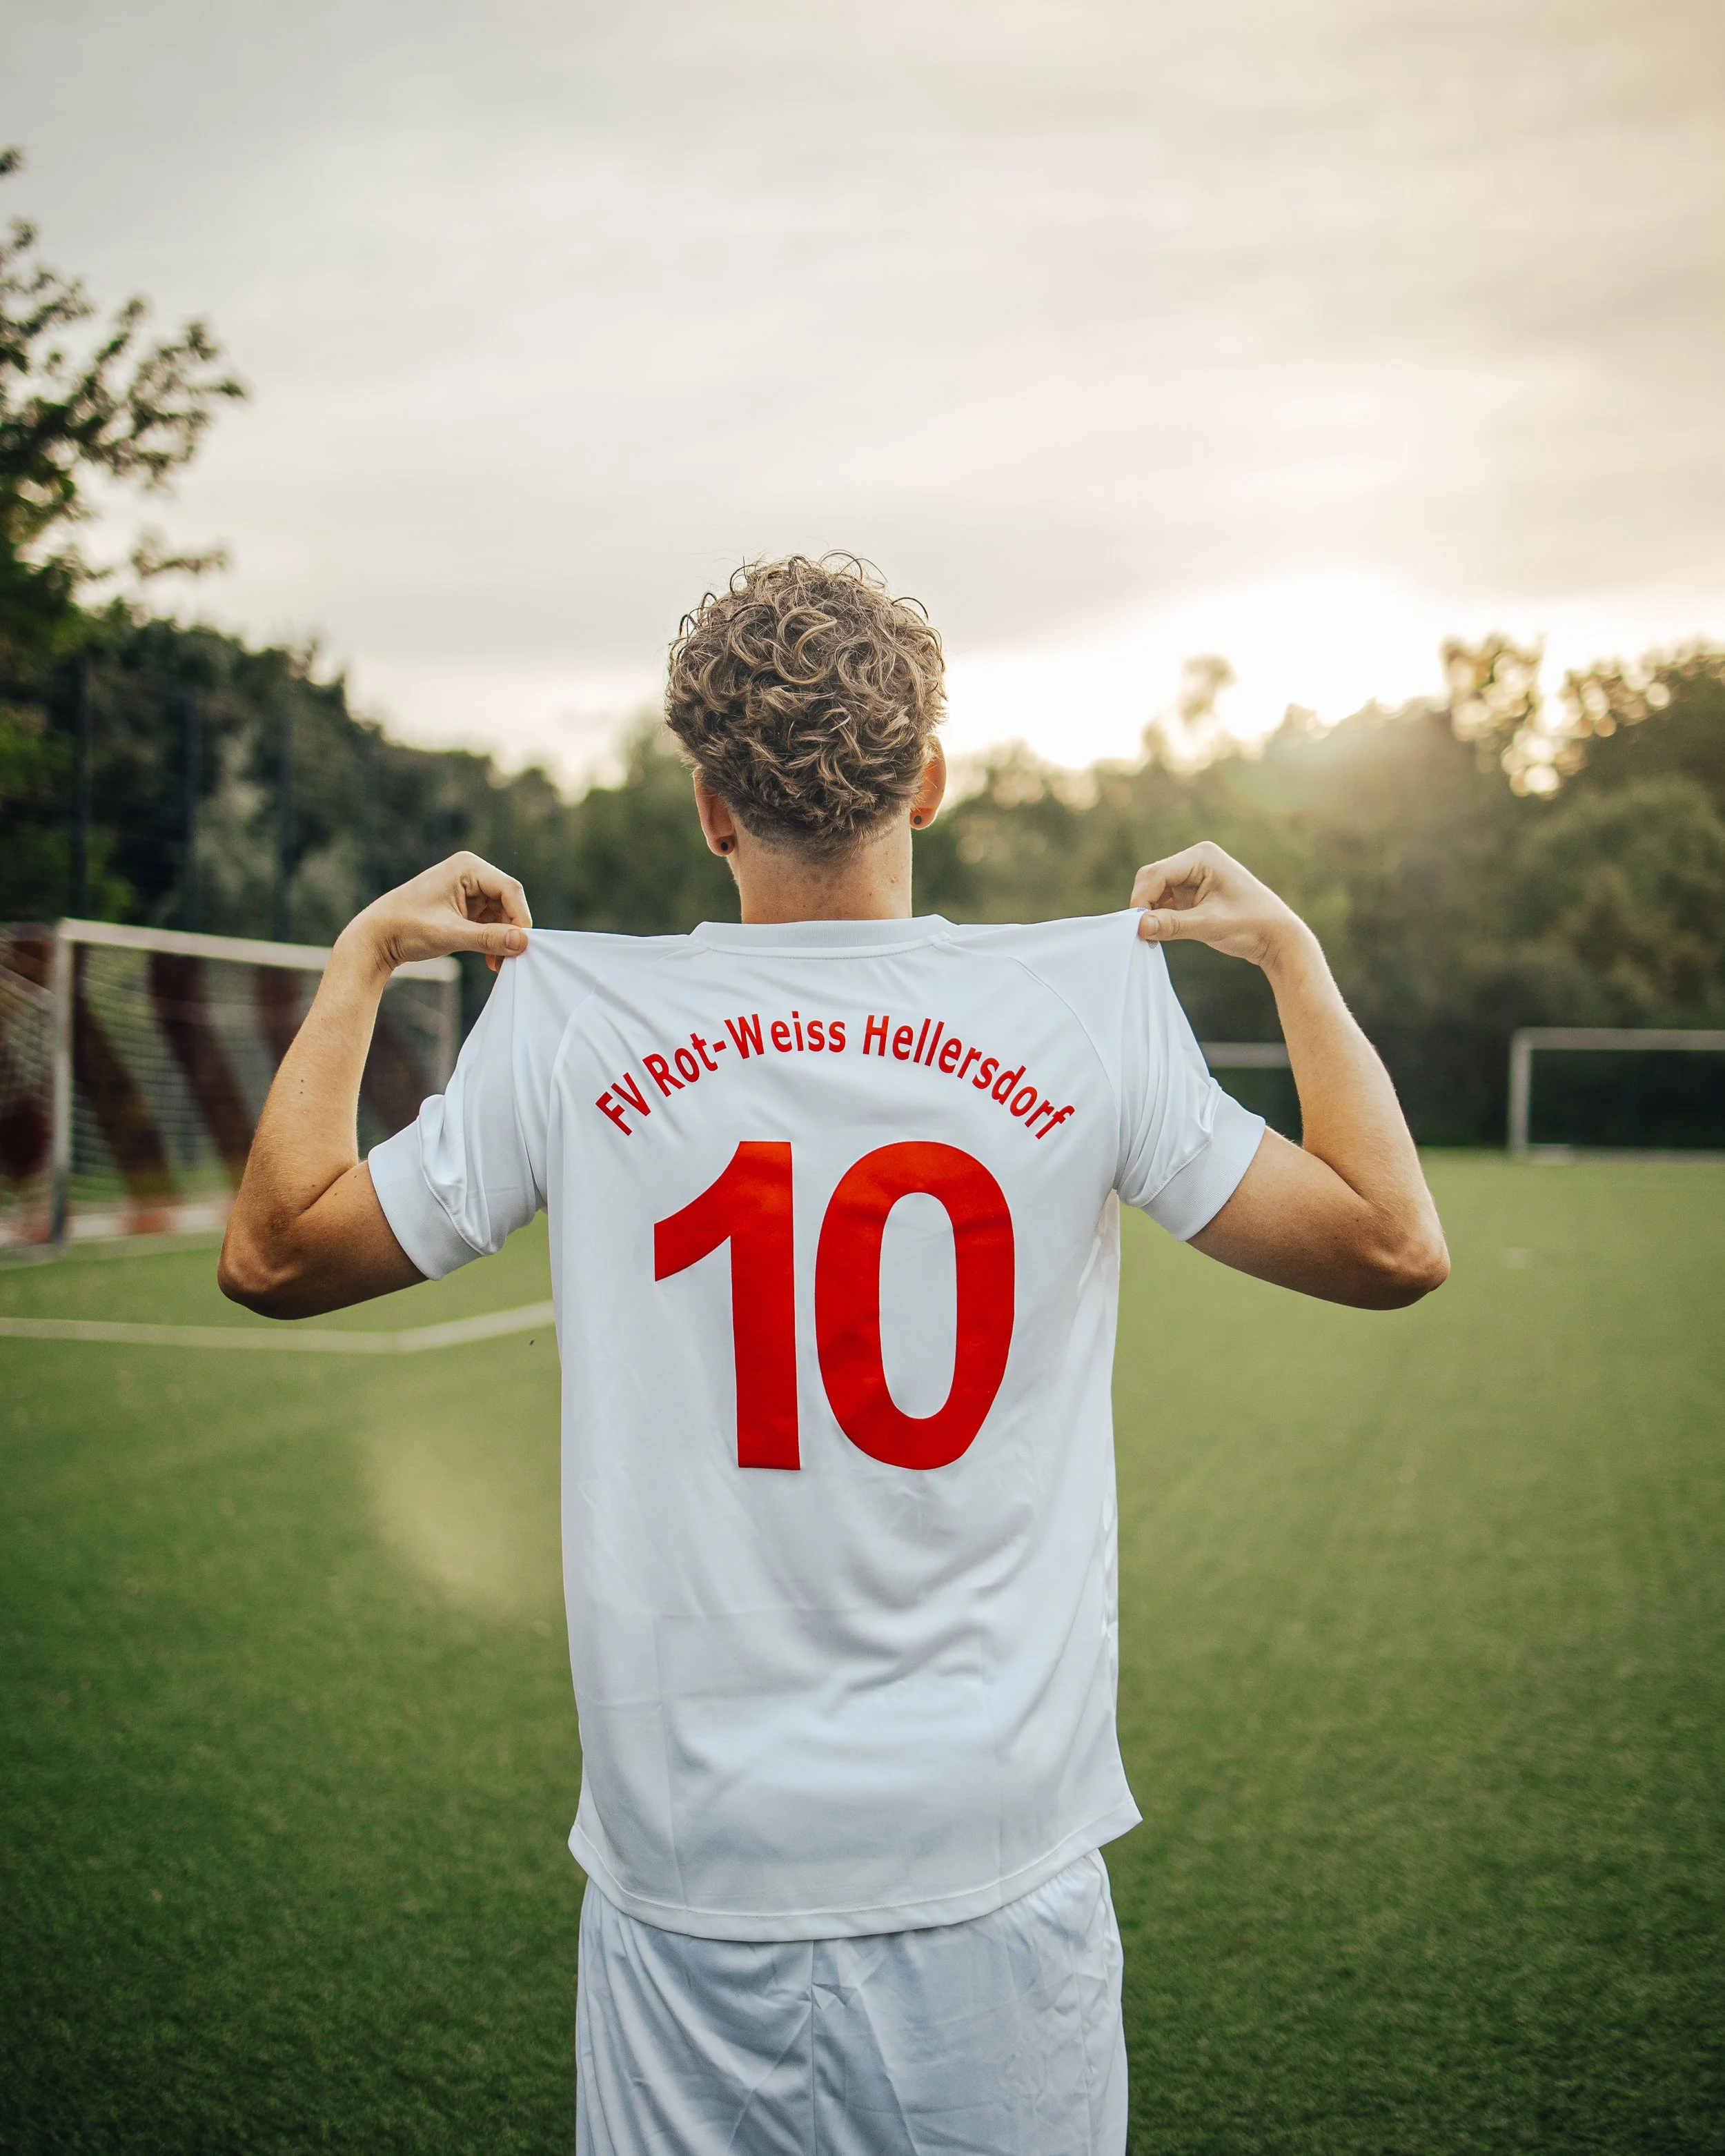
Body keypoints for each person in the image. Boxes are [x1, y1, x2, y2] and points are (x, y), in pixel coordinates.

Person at [220, 554, 1448, 2155]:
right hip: (993, 1877)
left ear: (708, 802)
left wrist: (361, 960)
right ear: (927, 778)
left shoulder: (572, 1020)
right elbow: (1390, 1243)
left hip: (692, 1886)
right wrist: (1288, 953)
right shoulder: (1085, 1011)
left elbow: (274, 1252)